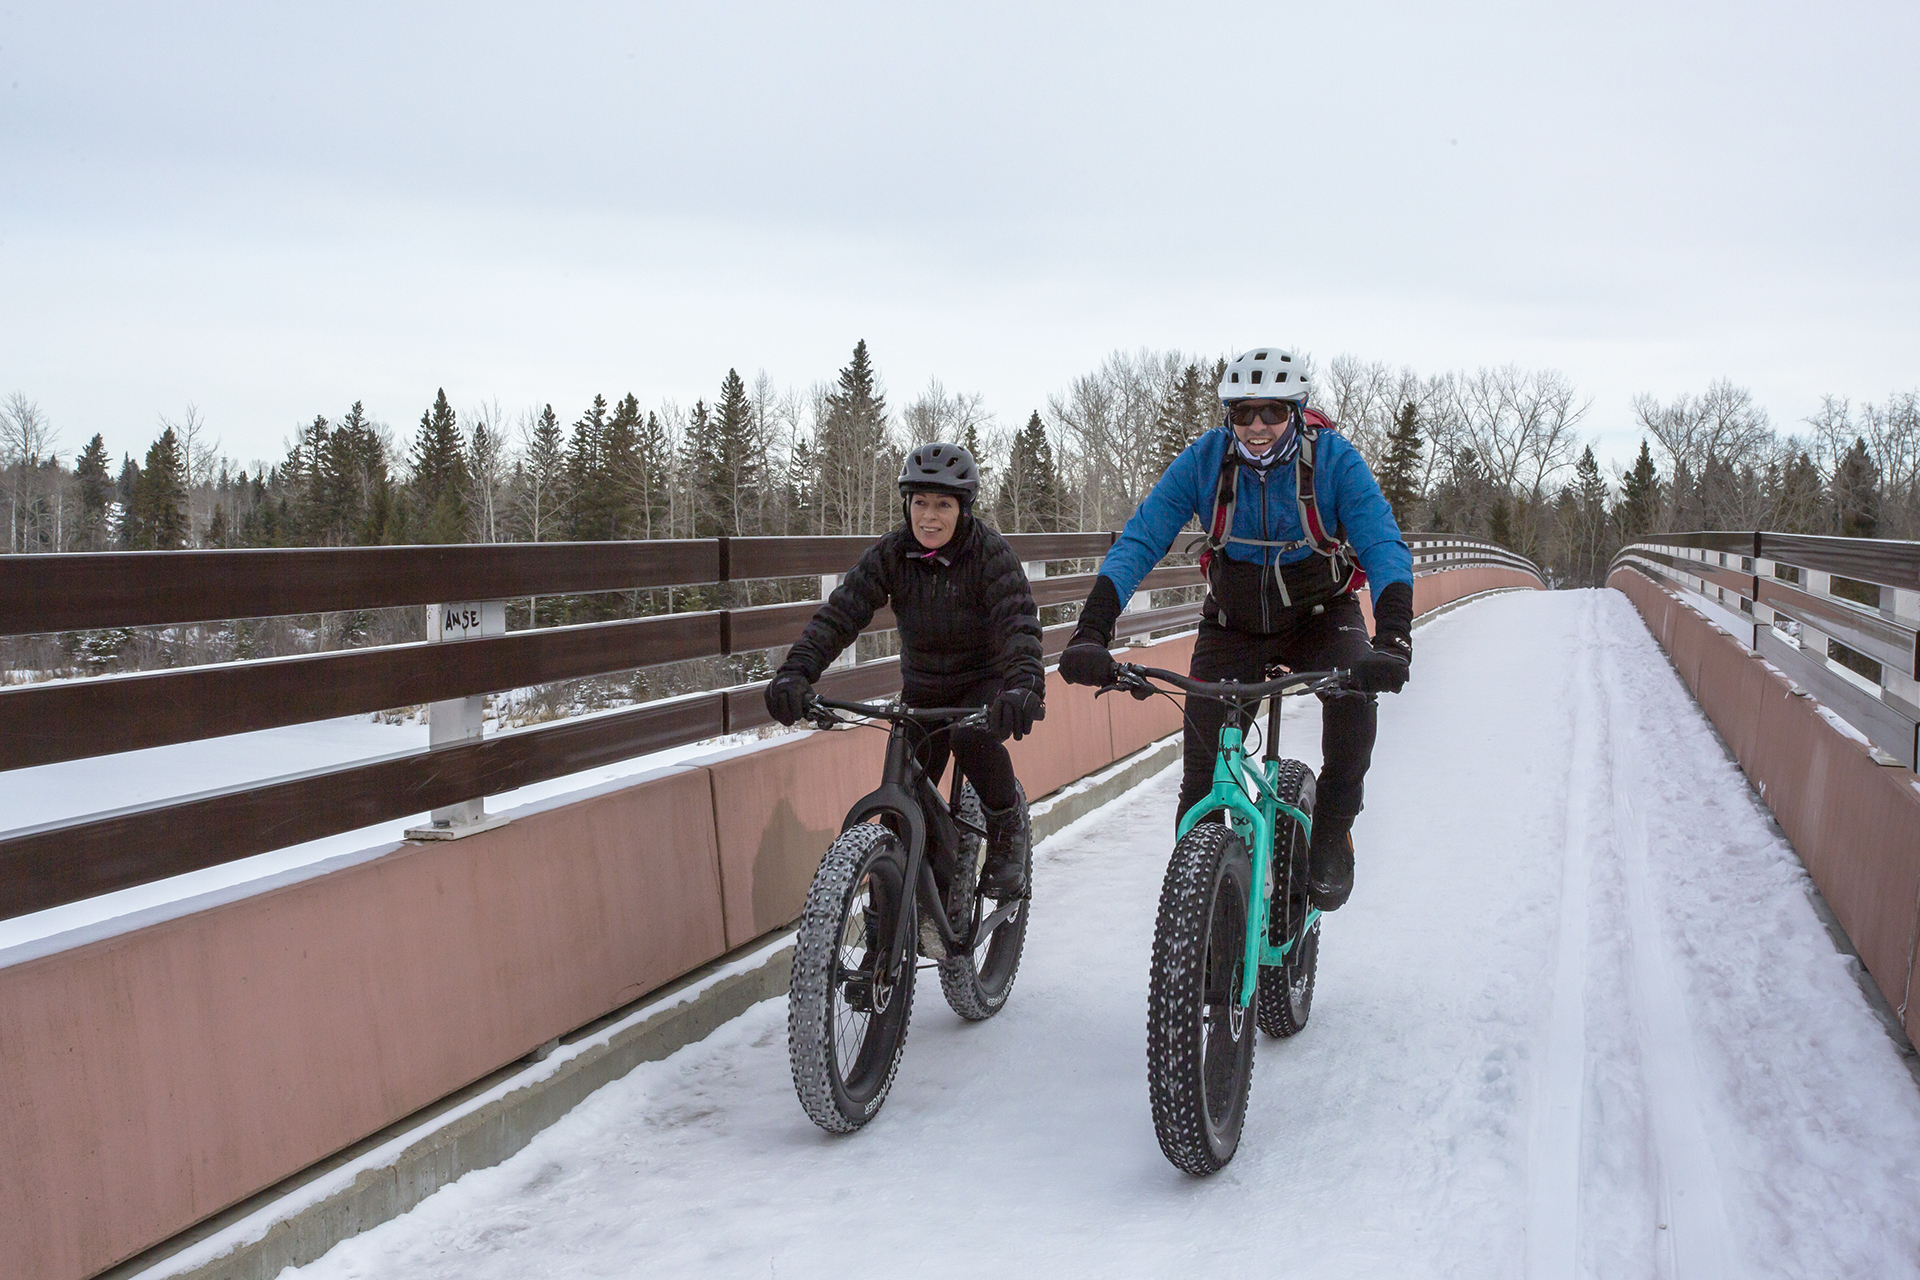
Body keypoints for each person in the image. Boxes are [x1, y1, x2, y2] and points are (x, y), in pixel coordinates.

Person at [1058, 347, 1413, 910]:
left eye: (1271, 412)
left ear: (1296, 410)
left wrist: (1393, 637)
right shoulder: (1206, 460)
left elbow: (1383, 543)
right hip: (1233, 624)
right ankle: (1201, 915)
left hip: (1322, 616)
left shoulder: (1336, 462)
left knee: (1353, 710)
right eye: (1242, 413)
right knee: (1200, 779)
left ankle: (1331, 829)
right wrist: (1091, 630)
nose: (1256, 427)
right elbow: (1142, 539)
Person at [765, 442, 1045, 902]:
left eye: (943, 504)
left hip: (982, 685)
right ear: (906, 504)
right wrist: (796, 672)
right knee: (900, 806)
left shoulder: (990, 554)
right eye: (920, 503)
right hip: (921, 689)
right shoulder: (893, 553)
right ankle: (891, 925)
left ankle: (1006, 824)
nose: (929, 517)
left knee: (969, 738)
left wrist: (1024, 686)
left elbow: (1019, 623)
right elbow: (842, 614)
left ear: (963, 509)